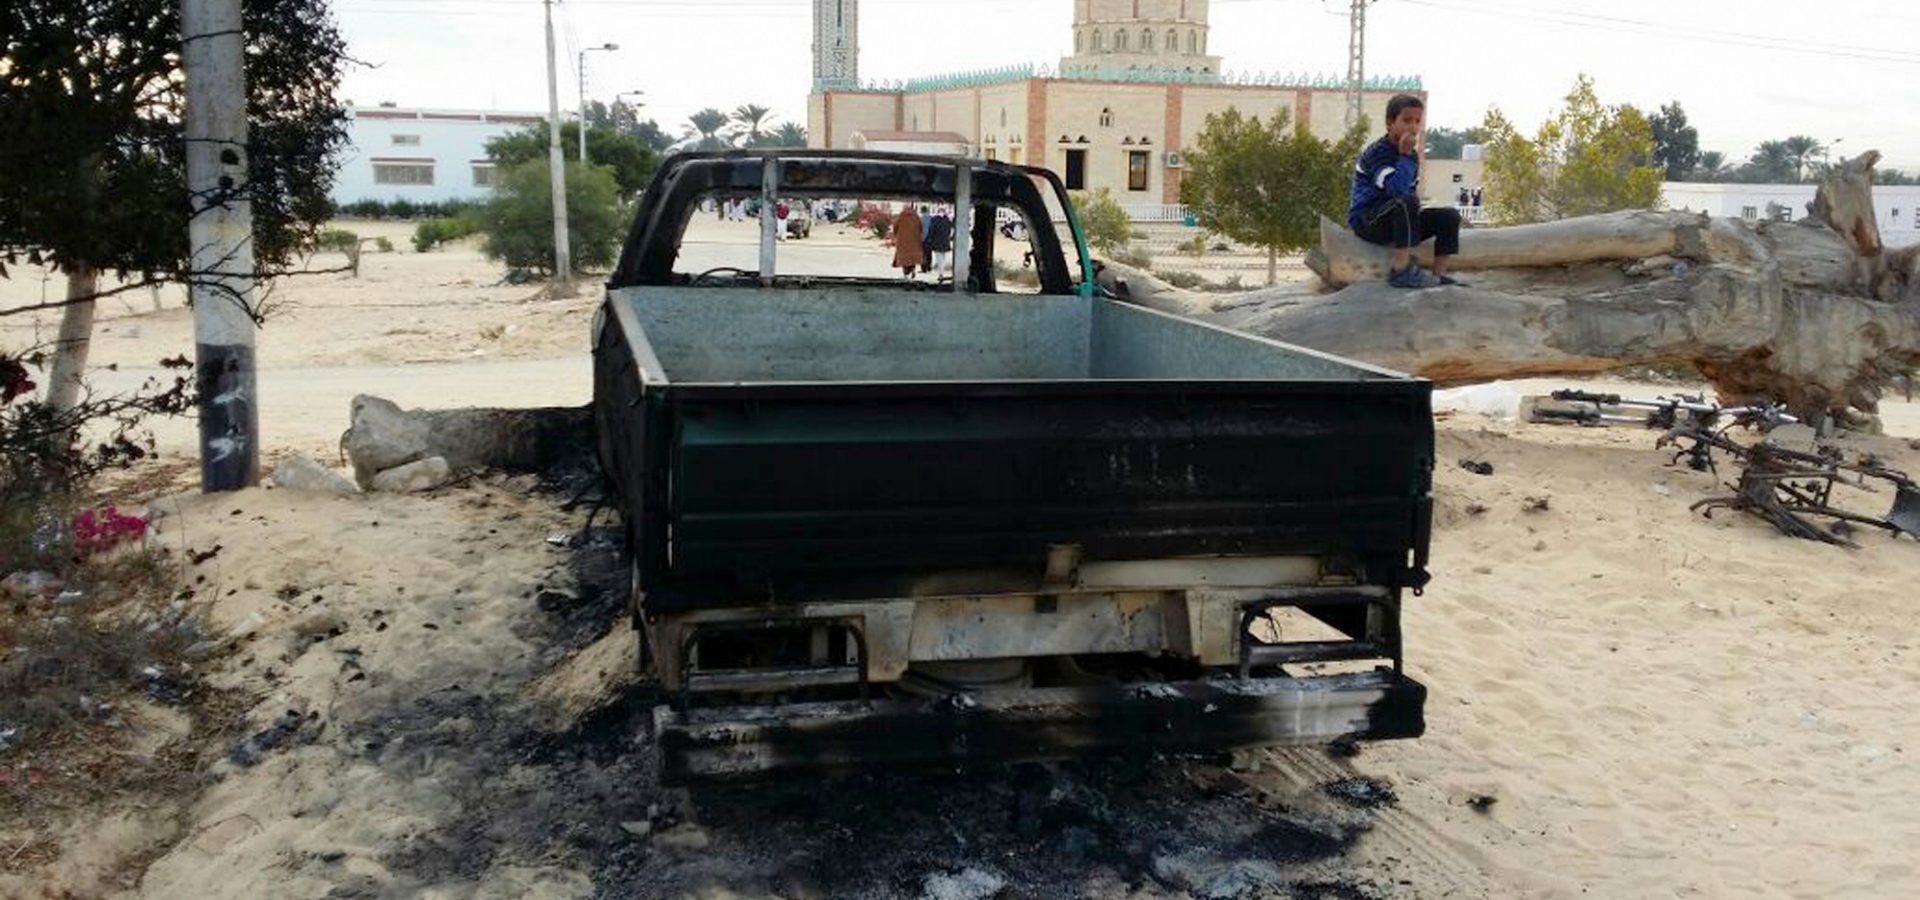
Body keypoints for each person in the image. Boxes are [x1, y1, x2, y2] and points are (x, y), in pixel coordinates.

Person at [1347, 93, 1463, 289]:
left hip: (1397, 219)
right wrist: (1405, 155)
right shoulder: (1377, 153)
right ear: (1390, 123)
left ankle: (1439, 274)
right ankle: (1400, 270)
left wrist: (1408, 157)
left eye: (1418, 121)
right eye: (1407, 120)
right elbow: (1397, 190)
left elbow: (1411, 192)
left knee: (1449, 216)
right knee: (1405, 200)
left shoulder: (1411, 157)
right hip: (1369, 221)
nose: (1413, 127)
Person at [892, 205, 926, 280]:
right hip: (914, 241)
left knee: (904, 259)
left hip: (903, 241)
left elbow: (895, 227)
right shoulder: (916, 217)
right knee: (912, 258)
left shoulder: (901, 216)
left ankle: (906, 274)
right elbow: (921, 227)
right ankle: (913, 269)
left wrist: (896, 235)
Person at [923, 208, 955, 277]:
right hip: (945, 240)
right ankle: (941, 270)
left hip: (937, 241)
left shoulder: (934, 220)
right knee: (943, 256)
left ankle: (941, 271)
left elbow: (931, 230)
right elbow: (950, 229)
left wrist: (930, 239)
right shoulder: (947, 220)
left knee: (938, 256)